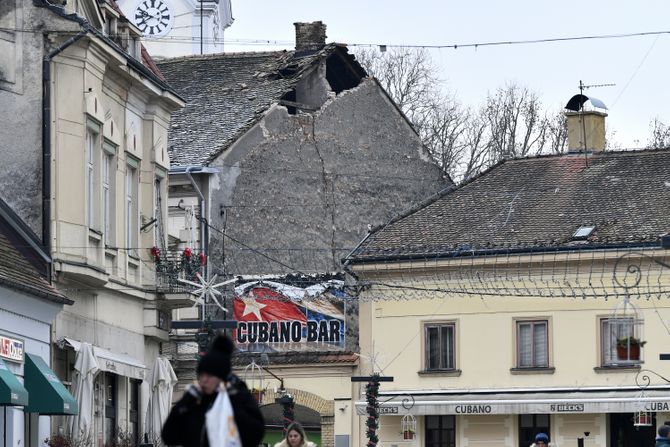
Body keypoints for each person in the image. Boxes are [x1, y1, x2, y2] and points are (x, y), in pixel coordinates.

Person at [162, 334, 265, 447]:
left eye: (210, 376)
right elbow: (169, 437)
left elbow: (255, 435)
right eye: (201, 375)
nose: (204, 380)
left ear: (221, 377)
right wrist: (184, 402)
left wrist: (233, 404)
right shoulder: (194, 400)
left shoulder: (239, 395)